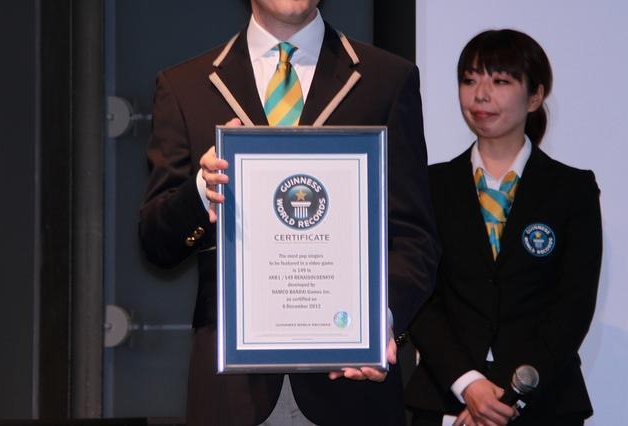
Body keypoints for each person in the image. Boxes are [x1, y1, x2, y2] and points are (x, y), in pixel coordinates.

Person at [139, 1, 440, 425]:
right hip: (233, 392)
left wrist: (377, 320)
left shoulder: (386, 79)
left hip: (350, 388)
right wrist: (202, 193)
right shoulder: (185, 86)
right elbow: (157, 241)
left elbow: (414, 236)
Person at [405, 29, 602, 426]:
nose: (480, 95)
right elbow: (419, 295)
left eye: (499, 81)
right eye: (469, 80)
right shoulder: (429, 186)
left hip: (545, 403)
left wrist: (510, 396)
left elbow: (573, 306)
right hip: (446, 398)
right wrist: (469, 385)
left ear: (535, 96)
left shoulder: (572, 190)